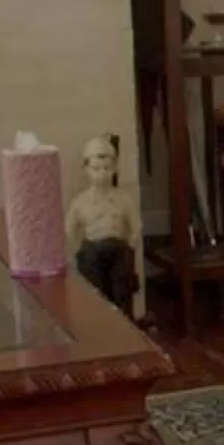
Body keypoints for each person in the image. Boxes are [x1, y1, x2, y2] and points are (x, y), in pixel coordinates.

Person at [66, 133, 140, 315]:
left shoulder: (123, 199)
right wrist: (79, 249)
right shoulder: (80, 202)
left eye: (107, 168)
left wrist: (130, 247)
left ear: (115, 169)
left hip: (118, 249)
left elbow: (136, 226)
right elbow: (69, 229)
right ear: (87, 170)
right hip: (92, 250)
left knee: (122, 289)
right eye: (96, 168)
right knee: (95, 295)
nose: (102, 173)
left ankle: (125, 325)